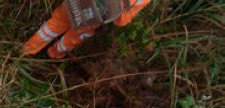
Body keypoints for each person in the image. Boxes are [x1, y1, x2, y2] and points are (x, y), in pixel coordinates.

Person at [22, 0, 152, 59]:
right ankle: (53, 55)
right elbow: (120, 22)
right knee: (71, 40)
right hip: (91, 18)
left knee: (53, 26)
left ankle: (27, 50)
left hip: (74, 3)